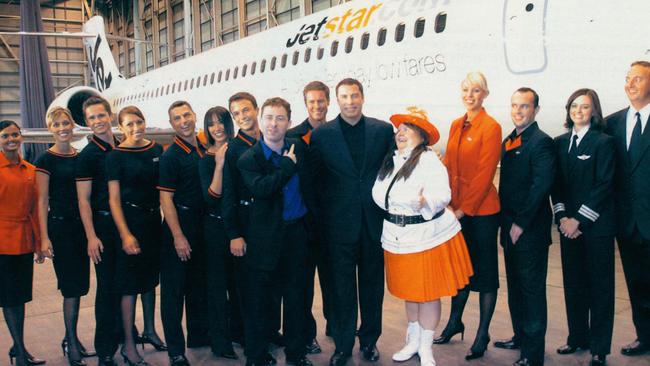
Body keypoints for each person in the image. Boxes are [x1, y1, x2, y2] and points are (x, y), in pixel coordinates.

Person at [371, 108, 473, 366]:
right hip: (398, 238)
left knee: (427, 293)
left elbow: (443, 194)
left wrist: (425, 200)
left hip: (426, 237)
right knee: (411, 292)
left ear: (422, 135)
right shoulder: (392, 160)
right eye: (399, 129)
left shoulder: (428, 160)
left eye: (407, 128)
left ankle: (426, 347)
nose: (400, 133)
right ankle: (412, 342)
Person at [310, 78, 394, 366]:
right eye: (344, 96)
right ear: (337, 100)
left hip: (373, 224)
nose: (350, 101)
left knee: (372, 288)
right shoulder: (323, 136)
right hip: (338, 226)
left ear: (362, 97)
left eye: (354, 95)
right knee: (342, 289)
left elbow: (394, 168)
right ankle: (343, 345)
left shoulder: (382, 131)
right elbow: (316, 182)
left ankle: (369, 342)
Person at [237, 97, 315, 366]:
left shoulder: (298, 148)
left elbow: (310, 184)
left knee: (296, 299)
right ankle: (256, 356)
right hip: (264, 239)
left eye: (280, 118)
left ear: (289, 122)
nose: (273, 124)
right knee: (260, 302)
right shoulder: (249, 158)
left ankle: (296, 354)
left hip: (296, 235)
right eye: (269, 117)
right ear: (261, 118)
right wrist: (286, 167)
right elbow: (262, 188)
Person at [435, 72, 502, 361]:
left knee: (485, 276)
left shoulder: (491, 126)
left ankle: (483, 332)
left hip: (482, 212)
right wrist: (447, 203)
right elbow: (449, 166)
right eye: (465, 89)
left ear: (485, 94)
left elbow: (485, 176)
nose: (470, 95)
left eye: (476, 90)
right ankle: (455, 322)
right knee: (460, 271)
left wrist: (463, 209)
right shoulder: (455, 125)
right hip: (457, 211)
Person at [551, 89, 615, 366]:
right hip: (568, 227)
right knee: (574, 285)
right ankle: (577, 337)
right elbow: (556, 185)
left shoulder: (603, 142)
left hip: (596, 227)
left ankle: (600, 347)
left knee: (600, 287)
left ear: (594, 111)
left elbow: (604, 185)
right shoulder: (560, 142)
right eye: (574, 106)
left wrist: (579, 219)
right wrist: (563, 218)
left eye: (585, 107)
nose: (578, 111)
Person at [495, 88, 555, 366]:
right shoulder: (511, 140)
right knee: (516, 287)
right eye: (514, 106)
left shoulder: (541, 142)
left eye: (524, 107)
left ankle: (533, 354)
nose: (518, 111)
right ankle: (520, 337)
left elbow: (540, 187)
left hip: (528, 230)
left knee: (531, 291)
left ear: (536, 110)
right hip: (510, 228)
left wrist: (520, 223)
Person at [106, 106, 166, 366]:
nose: (136, 128)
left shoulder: (155, 150)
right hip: (130, 223)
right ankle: (129, 346)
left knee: (150, 281)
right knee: (129, 286)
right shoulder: (115, 157)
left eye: (139, 122)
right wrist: (125, 234)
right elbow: (114, 200)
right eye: (129, 124)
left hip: (153, 222)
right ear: (121, 128)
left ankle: (150, 331)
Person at [35, 108, 94, 366]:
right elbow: (41, 200)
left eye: (66, 123)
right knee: (70, 288)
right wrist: (44, 237)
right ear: (50, 128)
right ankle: (71, 341)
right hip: (60, 230)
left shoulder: (79, 157)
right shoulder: (45, 160)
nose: (62, 128)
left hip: (80, 229)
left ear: (73, 126)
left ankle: (72, 337)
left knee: (79, 287)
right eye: (57, 124)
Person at [158, 101, 209, 366]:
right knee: (174, 293)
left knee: (198, 286)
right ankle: (176, 350)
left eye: (187, 115)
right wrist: (178, 236)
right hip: (181, 224)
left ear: (194, 115)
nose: (184, 121)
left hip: (202, 224)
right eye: (177, 118)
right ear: (172, 125)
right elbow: (166, 200)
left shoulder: (202, 148)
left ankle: (199, 337)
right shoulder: (171, 156)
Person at [605, 60, 650, 357]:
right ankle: (644, 335)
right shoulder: (613, 122)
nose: (630, 84)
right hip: (629, 222)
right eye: (627, 79)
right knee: (637, 284)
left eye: (638, 79)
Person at [286, 80, 335, 352]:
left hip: (330, 224)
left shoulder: (337, 132)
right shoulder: (293, 136)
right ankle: (308, 334)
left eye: (321, 100)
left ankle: (336, 325)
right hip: (304, 224)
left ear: (328, 102)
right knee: (303, 286)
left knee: (333, 281)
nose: (317, 106)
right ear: (306, 104)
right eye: (312, 102)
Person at [75, 96, 122, 366]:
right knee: (106, 289)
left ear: (109, 115)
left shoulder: (122, 146)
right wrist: (91, 236)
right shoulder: (87, 155)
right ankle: (105, 348)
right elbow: (84, 200)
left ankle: (124, 335)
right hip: (103, 227)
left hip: (125, 225)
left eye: (100, 115)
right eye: (92, 118)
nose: (97, 121)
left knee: (124, 285)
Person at [0, 120, 46, 366]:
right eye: (6, 135)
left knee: (19, 298)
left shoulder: (29, 169)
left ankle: (18, 347)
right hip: (2, 243)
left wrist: (38, 243)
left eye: (15, 135)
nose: (11, 139)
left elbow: (35, 210)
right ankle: (19, 353)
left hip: (23, 240)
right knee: (9, 299)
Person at [197, 106, 240, 360]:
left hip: (237, 228)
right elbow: (212, 197)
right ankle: (220, 342)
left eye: (221, 122)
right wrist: (220, 165)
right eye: (211, 123)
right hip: (215, 229)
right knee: (217, 288)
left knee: (238, 287)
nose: (217, 128)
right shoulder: (206, 159)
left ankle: (239, 333)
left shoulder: (240, 151)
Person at [221, 92, 263, 350]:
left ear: (256, 109)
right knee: (248, 290)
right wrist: (234, 233)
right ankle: (251, 342)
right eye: (236, 114)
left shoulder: (269, 140)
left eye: (246, 110)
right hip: (245, 225)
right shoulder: (233, 149)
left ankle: (266, 332)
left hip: (267, 226)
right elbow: (229, 194)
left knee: (266, 286)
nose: (242, 117)